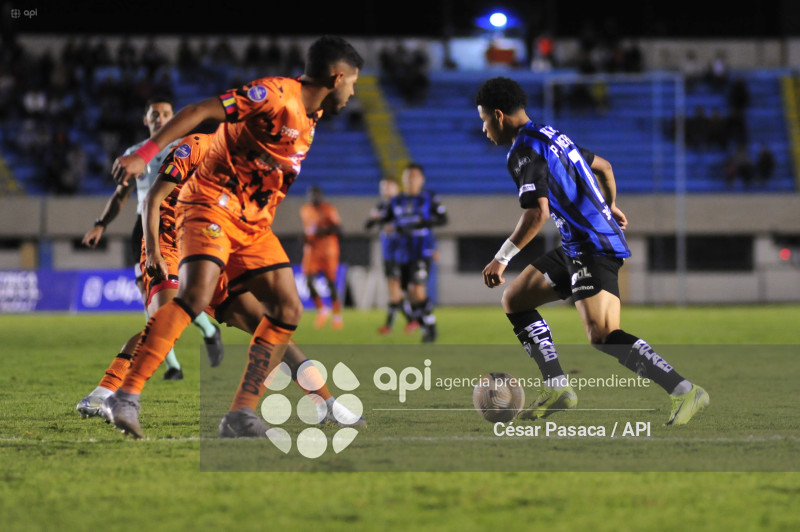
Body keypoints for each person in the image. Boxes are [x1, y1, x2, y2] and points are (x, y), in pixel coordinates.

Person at [104, 35, 363, 439]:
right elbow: (201, 110)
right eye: (353, 83)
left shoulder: (310, 120)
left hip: (251, 226)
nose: (353, 93)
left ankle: (244, 413)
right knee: (194, 296)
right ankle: (125, 394)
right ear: (337, 76)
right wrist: (144, 153)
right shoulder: (274, 95)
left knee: (287, 309)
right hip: (209, 206)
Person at [79, 132, 364, 428]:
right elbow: (154, 197)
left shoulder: (252, 168)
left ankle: (325, 402)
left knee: (269, 327)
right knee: (165, 322)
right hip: (171, 244)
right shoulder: (195, 146)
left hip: (214, 246)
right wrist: (153, 252)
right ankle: (105, 392)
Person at [475, 76, 709, 426]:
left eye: (483, 120)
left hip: (593, 245)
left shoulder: (523, 150)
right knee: (515, 300)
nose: (483, 129)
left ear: (498, 115)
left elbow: (537, 212)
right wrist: (608, 205)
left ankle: (684, 390)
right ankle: (558, 387)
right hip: (578, 243)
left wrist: (502, 257)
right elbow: (605, 167)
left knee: (602, 334)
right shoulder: (552, 136)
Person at [77, 97, 222, 399]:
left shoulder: (191, 146)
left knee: (180, 301)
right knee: (152, 300)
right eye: (155, 115)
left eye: (167, 114)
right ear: (146, 120)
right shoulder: (136, 154)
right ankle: (172, 366)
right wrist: (101, 223)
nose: (161, 119)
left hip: (181, 226)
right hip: (144, 230)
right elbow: (120, 197)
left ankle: (208, 331)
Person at [375, 163, 447, 343]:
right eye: (408, 176)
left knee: (418, 289)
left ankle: (430, 328)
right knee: (410, 294)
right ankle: (425, 325)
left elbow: (443, 219)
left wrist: (425, 222)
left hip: (422, 250)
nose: (411, 179)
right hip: (402, 253)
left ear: (422, 179)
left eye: (415, 176)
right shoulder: (395, 201)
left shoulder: (429, 198)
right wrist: (384, 224)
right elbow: (384, 220)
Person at [365, 178, 414, 335]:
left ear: (396, 188)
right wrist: (374, 219)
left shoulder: (403, 205)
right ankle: (411, 320)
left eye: (388, 186)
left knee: (395, 289)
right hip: (387, 253)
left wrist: (394, 227)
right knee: (394, 290)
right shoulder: (380, 207)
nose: (385, 189)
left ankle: (391, 325)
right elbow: (367, 226)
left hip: (400, 252)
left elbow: (411, 227)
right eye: (383, 187)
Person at [299, 185, 344, 329]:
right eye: (311, 195)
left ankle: (337, 316)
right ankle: (322, 309)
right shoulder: (305, 210)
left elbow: (339, 229)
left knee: (331, 283)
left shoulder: (328, 209)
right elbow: (308, 228)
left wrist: (323, 231)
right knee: (308, 281)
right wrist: (306, 238)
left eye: (316, 195)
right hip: (312, 250)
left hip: (328, 250)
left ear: (321, 196)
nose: (313, 198)